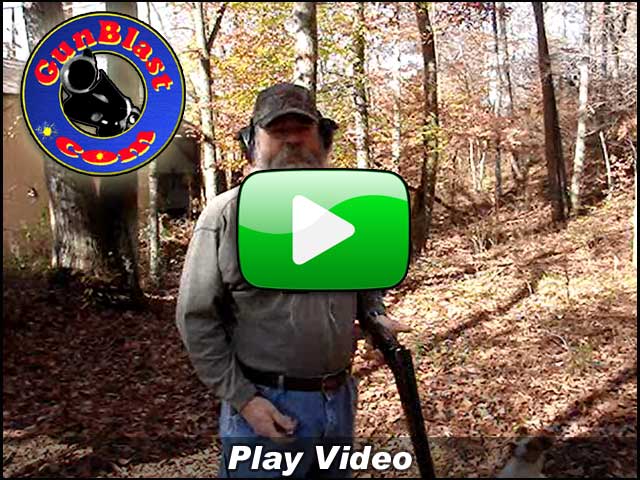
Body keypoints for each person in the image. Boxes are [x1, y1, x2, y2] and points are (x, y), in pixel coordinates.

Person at [175, 82, 409, 478]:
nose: (292, 140)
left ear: (324, 137)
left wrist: (373, 315)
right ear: (251, 142)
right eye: (278, 131)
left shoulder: (349, 209)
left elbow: (364, 284)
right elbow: (196, 319)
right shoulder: (226, 216)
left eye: (302, 129)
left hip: (338, 400)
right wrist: (245, 400)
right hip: (268, 406)